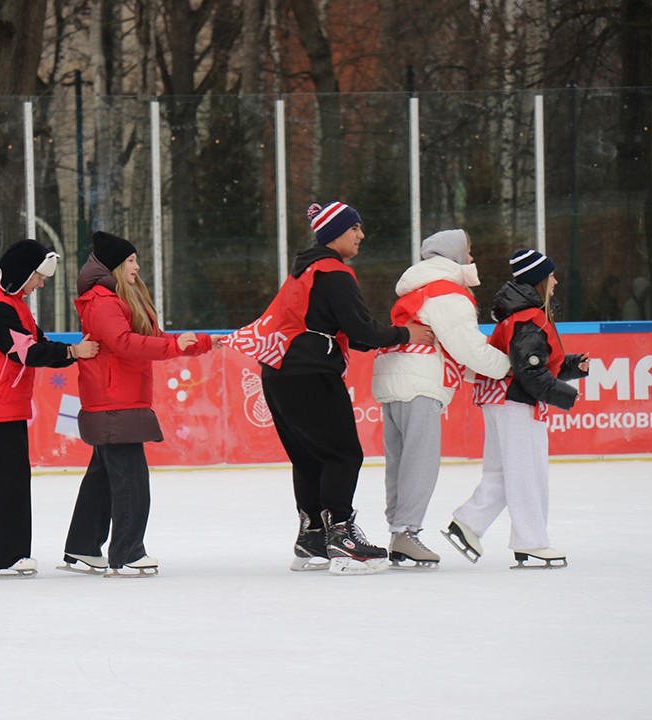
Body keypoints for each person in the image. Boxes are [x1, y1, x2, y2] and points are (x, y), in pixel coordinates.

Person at [224, 201, 433, 575]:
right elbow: (363, 331)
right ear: (335, 232)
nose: (361, 235)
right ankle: (342, 535)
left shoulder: (302, 272)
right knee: (343, 454)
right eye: (354, 229)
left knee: (309, 457)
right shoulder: (334, 273)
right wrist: (405, 334)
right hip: (309, 373)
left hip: (277, 374)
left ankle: (313, 536)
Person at [59, 231, 220, 578]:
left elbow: (151, 337)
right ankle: (128, 553)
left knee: (102, 479)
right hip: (114, 401)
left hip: (117, 399)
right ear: (116, 265)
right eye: (131, 260)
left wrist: (200, 343)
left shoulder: (118, 297)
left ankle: (83, 546)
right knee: (131, 481)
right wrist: (176, 348)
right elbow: (124, 343)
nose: (137, 266)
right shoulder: (103, 301)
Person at [371, 229, 510, 569]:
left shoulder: (420, 287)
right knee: (420, 462)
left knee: (401, 461)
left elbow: (447, 349)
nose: (472, 259)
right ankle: (406, 531)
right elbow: (467, 348)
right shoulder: (448, 293)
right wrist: (508, 367)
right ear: (454, 256)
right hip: (420, 384)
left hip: (395, 380)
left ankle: (399, 530)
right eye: (469, 252)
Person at [443, 249, 589, 569]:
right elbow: (530, 372)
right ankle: (532, 541)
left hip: (499, 398)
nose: (556, 281)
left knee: (503, 472)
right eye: (551, 276)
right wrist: (565, 395)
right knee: (528, 473)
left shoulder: (518, 316)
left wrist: (572, 366)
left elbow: (531, 364)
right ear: (538, 280)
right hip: (516, 401)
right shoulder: (530, 319)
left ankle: (468, 524)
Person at [0, 239, 98, 577]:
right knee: (2, 483)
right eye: (37, 277)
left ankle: (14, 553)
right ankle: (3, 556)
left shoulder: (15, 303)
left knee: (14, 479)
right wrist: (72, 353)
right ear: (21, 274)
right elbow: (25, 352)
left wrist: (72, 352)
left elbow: (39, 343)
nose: (40, 284)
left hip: (8, 404)